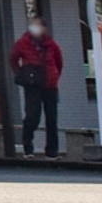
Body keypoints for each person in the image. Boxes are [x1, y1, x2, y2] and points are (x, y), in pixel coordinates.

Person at [9, 17, 63, 157]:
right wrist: (21, 74)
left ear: (45, 29)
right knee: (32, 117)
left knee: (52, 119)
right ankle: (28, 148)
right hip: (32, 85)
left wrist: (54, 77)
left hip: (50, 86)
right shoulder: (23, 43)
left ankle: (52, 152)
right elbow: (13, 58)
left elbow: (59, 62)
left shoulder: (51, 45)